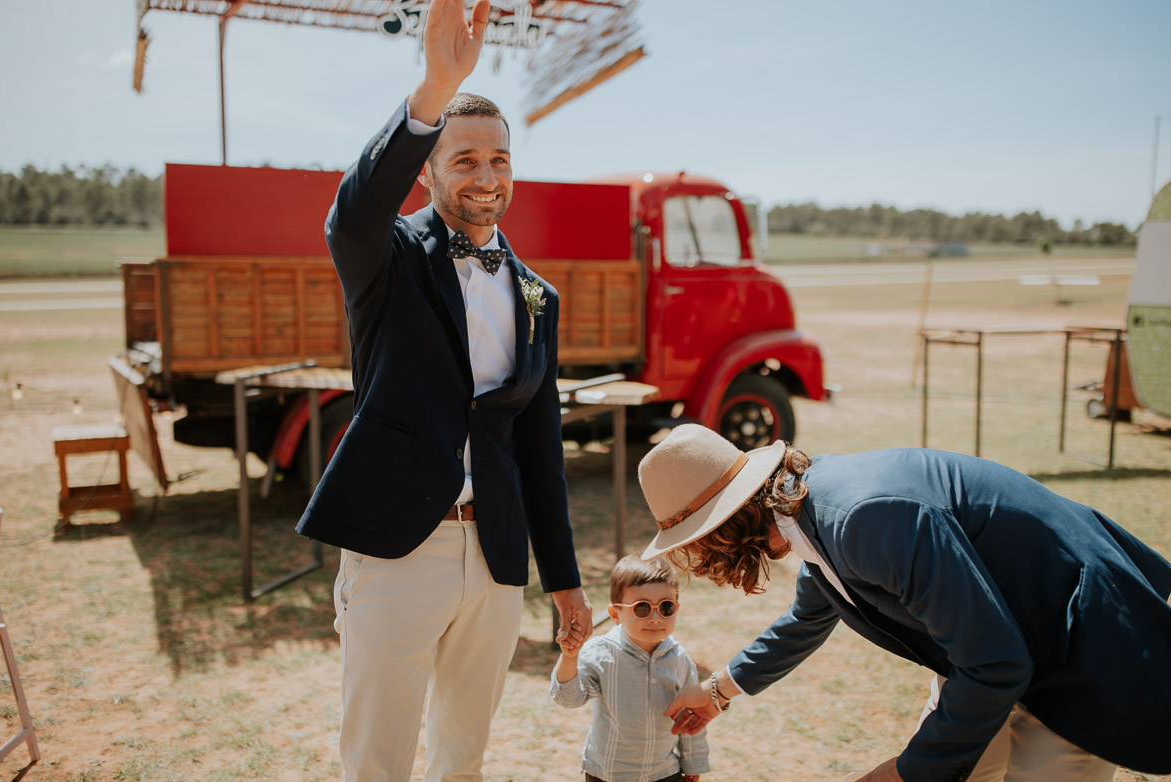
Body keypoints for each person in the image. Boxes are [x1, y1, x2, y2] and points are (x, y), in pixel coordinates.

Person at [295, 1, 592, 779]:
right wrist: (435, 87)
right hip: (398, 546)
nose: (485, 176)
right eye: (464, 160)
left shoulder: (537, 296)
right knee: (379, 757)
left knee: (463, 755)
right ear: (426, 171)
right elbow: (350, 215)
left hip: (494, 557)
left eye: (498, 159)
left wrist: (562, 584)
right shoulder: (386, 260)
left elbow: (539, 451)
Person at [635, 424, 1171, 782]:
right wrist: (719, 692)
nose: (699, 560)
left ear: (726, 528)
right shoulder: (807, 511)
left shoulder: (864, 519)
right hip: (991, 649)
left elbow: (996, 665)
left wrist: (902, 772)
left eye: (696, 543)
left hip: (1075, 643)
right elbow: (808, 617)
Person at [550, 555, 709, 782]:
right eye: (642, 608)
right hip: (608, 773)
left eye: (665, 607)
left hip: (664, 772)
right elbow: (568, 699)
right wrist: (569, 658)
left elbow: (692, 716)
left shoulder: (680, 659)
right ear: (615, 614)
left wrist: (694, 763)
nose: (655, 617)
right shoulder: (600, 653)